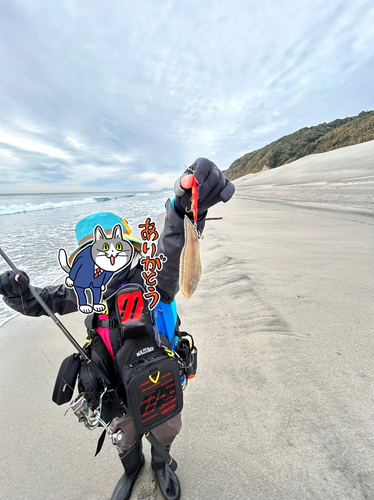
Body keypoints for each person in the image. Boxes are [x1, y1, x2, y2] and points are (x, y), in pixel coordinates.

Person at [0, 158, 235, 500]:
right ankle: (132, 468)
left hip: (157, 380)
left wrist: (183, 205)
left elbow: (174, 245)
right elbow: (40, 301)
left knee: (164, 427)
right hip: (112, 387)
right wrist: (17, 292)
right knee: (123, 437)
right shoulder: (83, 293)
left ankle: (160, 464)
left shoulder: (152, 281)